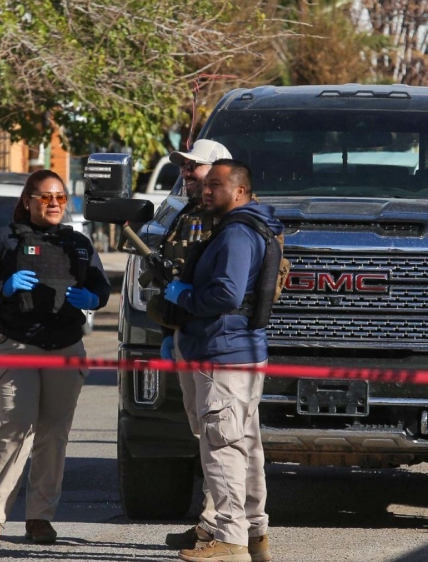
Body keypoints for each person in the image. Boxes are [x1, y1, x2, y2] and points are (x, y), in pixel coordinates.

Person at [0, 169, 111, 545]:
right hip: (17, 345)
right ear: (28, 201)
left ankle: (40, 518)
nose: (54, 204)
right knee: (16, 429)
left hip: (64, 347)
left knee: (53, 435)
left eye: (61, 198)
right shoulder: (4, 240)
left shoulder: (78, 244)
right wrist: (2, 287)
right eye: (46, 197)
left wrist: (94, 299)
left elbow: (100, 284)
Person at [164, 159, 283, 562]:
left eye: (216, 185)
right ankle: (255, 534)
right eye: (206, 184)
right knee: (244, 444)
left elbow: (228, 295)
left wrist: (183, 298)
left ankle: (230, 540)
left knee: (222, 446)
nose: (206, 191)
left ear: (240, 191)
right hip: (239, 351)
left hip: (222, 351)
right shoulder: (250, 228)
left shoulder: (236, 233)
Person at [147, 139, 231, 552]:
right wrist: (168, 335)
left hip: (218, 342)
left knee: (222, 437)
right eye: (183, 167)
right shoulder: (184, 214)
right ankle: (212, 521)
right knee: (205, 434)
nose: (186, 173)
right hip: (185, 338)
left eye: (193, 167)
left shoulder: (233, 219)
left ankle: (222, 527)